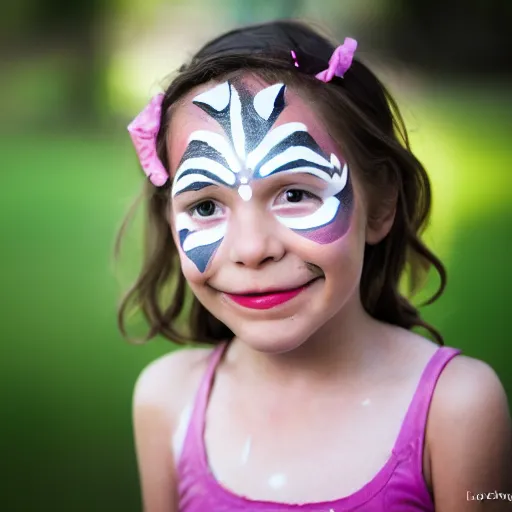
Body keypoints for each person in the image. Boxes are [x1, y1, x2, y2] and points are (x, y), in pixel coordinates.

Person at [118, 20, 511, 511]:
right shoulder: (165, 400)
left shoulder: (457, 409)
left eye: (295, 193)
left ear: (382, 203)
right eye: (204, 206)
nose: (252, 248)